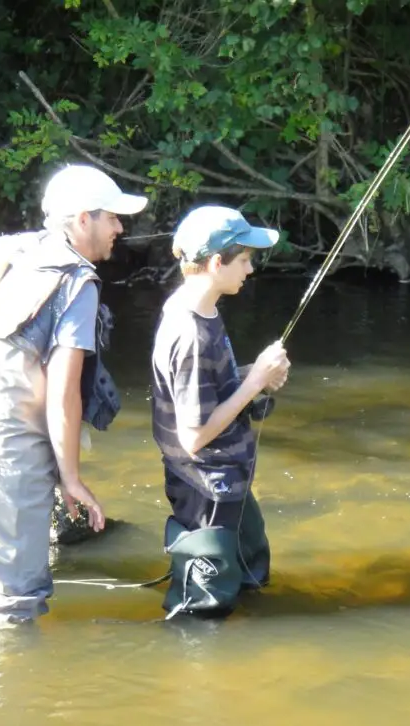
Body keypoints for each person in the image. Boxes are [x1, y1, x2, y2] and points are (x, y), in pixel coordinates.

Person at [0, 163, 149, 627]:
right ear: (82, 220)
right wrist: (71, 479)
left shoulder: (16, 253)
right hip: (4, 441)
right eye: (111, 216)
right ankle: (14, 688)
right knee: (18, 599)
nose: (120, 227)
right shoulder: (76, 282)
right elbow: (64, 393)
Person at [150, 204, 291, 619]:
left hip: (226, 478)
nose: (249, 270)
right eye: (244, 260)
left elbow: (202, 390)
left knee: (250, 575)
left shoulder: (201, 307)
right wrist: (253, 383)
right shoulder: (191, 332)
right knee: (203, 610)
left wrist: (252, 376)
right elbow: (194, 436)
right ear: (216, 262)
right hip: (206, 484)